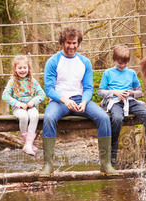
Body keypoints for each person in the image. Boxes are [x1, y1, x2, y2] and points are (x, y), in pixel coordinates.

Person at [41, 26, 116, 176]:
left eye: (74, 43)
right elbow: (49, 89)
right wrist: (64, 100)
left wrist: (84, 102)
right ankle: (48, 165)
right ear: (63, 42)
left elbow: (88, 88)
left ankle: (106, 164)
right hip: (59, 101)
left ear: (78, 43)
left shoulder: (85, 62)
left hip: (80, 100)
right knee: (48, 118)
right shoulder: (53, 61)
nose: (72, 46)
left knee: (103, 118)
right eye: (68, 43)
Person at [99, 45, 146, 166]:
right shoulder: (108, 73)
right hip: (115, 101)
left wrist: (131, 93)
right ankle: (113, 152)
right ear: (114, 60)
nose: (122, 66)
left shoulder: (131, 73)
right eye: (119, 63)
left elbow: (140, 92)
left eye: (124, 63)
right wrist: (115, 92)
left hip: (130, 101)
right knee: (117, 118)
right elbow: (101, 92)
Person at [2, 55, 45, 155]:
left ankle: (28, 144)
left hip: (31, 106)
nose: (22, 70)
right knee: (23, 116)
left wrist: (33, 102)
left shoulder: (32, 81)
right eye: (20, 68)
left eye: (24, 67)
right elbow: (5, 96)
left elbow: (42, 94)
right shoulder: (12, 82)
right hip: (18, 108)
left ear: (28, 68)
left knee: (34, 115)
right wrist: (18, 104)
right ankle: (27, 143)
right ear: (15, 69)